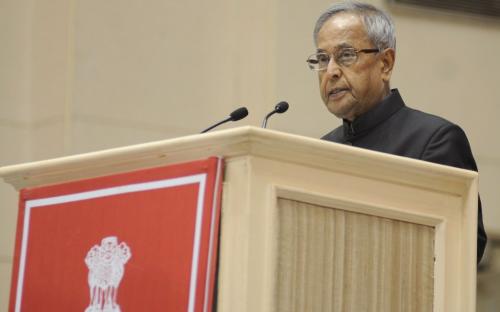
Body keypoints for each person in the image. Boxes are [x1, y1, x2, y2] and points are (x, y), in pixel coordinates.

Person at [307, 1, 486, 263]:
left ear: (385, 64)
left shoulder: (434, 140)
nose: (331, 71)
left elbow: (462, 249)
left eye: (346, 55)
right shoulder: (320, 151)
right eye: (322, 59)